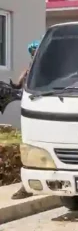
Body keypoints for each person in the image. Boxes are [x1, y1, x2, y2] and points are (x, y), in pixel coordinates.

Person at [9, 40, 40, 200]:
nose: (34, 55)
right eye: (32, 53)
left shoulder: (48, 67)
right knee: (30, 147)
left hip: (46, 110)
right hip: (31, 111)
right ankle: (26, 186)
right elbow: (17, 83)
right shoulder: (29, 69)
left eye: (35, 52)